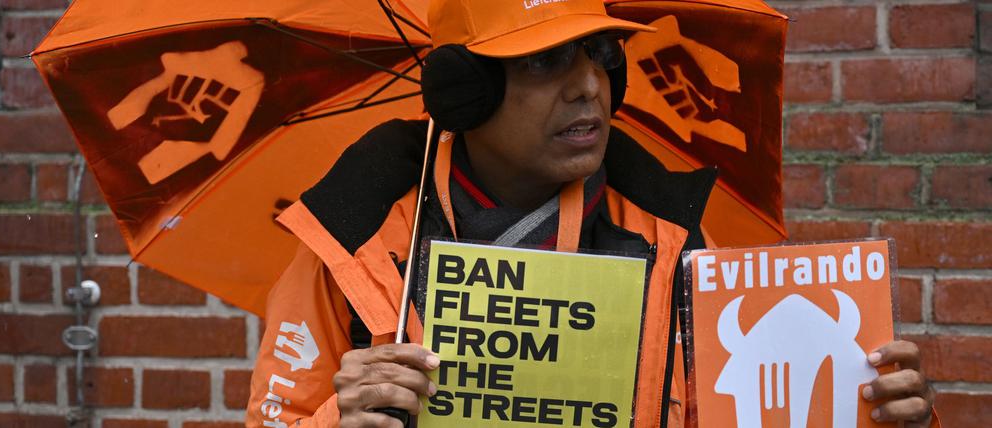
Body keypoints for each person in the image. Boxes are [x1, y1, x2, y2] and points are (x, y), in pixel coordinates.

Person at [246, 0, 938, 426]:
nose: (589, 88)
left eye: (601, 56)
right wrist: (344, 420)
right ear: (465, 93)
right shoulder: (349, 240)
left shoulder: (677, 240)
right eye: (546, 63)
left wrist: (879, 417)